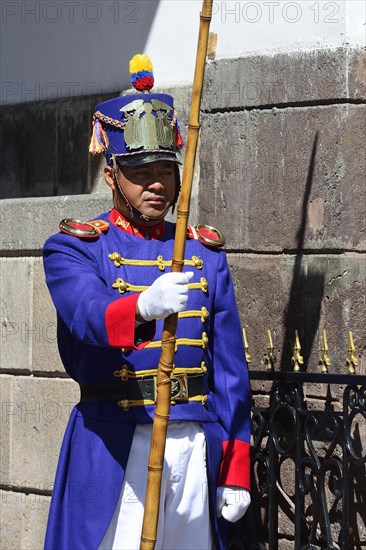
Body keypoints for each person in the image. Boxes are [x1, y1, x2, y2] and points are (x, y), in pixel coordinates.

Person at [43, 54, 251, 550]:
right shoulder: (76, 247)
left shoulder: (202, 251)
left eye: (165, 168)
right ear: (112, 175)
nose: (156, 183)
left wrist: (236, 464)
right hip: (118, 446)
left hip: (196, 451)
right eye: (140, 171)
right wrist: (140, 308)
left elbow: (228, 371)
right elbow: (86, 313)